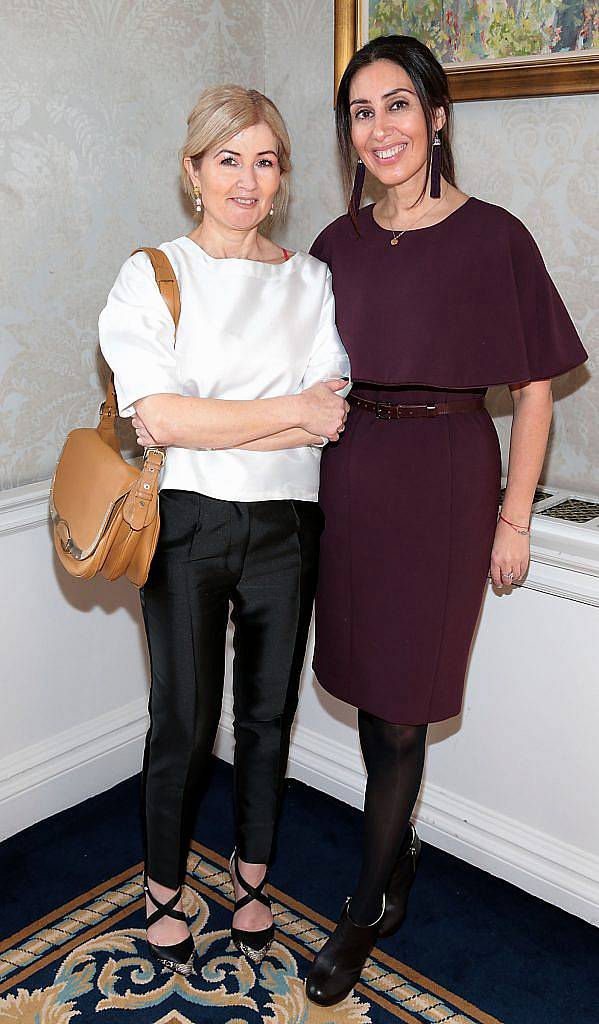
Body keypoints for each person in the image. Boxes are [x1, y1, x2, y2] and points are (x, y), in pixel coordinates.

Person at [305, 35, 587, 1007]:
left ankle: (364, 906)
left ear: (434, 117)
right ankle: (399, 852)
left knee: (400, 705)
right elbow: (299, 374)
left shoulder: (492, 235)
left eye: (395, 105)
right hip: (350, 475)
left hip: (442, 483)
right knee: (363, 691)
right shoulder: (334, 244)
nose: (377, 127)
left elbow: (537, 387)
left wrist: (511, 516)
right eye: (359, 111)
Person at [99, 84, 350, 976]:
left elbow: (330, 417)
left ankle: (251, 877)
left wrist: (220, 414)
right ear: (193, 171)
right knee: (183, 718)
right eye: (228, 160)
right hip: (187, 521)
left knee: (268, 713)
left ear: (281, 180)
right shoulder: (152, 275)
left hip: (288, 521)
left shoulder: (312, 280)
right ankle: (163, 886)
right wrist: (279, 413)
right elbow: (159, 419)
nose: (248, 180)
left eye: (266, 160)